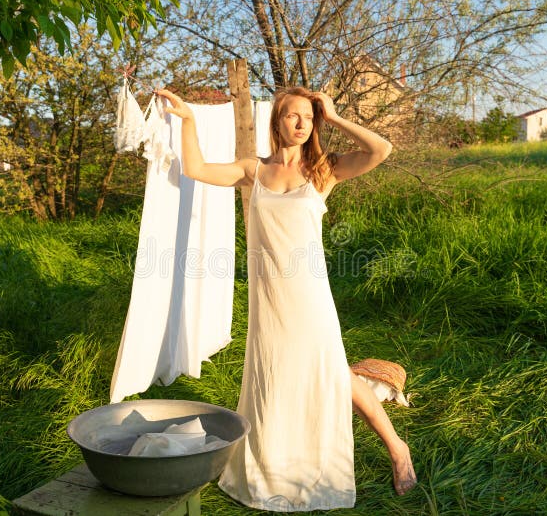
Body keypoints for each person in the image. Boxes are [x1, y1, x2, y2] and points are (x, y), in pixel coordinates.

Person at [156, 86, 416, 511]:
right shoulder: (252, 170)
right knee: (272, 376)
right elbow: (197, 168)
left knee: (331, 373)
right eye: (293, 116)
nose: (301, 124)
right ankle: (279, 463)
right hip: (268, 297)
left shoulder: (323, 170)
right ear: (276, 121)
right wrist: (188, 120)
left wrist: (331, 116)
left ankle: (396, 448)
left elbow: (381, 149)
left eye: (308, 119)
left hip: (309, 295)